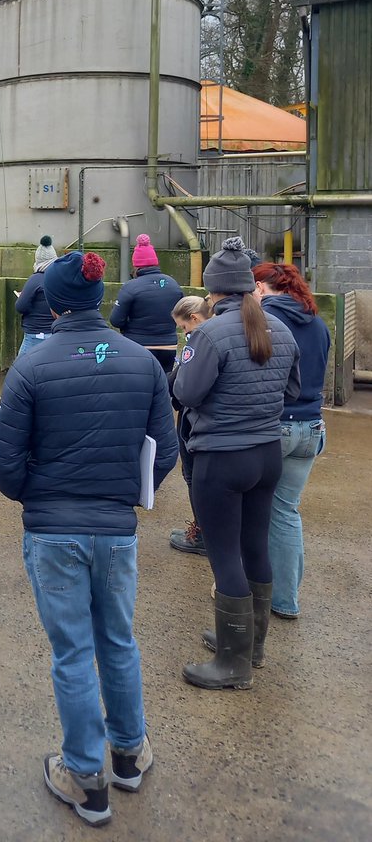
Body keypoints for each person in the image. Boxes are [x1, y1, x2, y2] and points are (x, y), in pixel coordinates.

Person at [0, 251, 178, 827]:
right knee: (118, 641)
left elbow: (4, 458)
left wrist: (38, 496)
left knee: (72, 652)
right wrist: (129, 496)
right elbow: (165, 451)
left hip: (53, 530)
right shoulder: (142, 363)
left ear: (53, 303)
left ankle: (86, 779)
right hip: (116, 529)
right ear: (100, 298)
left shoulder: (31, 365)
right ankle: (129, 754)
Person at [174, 237, 300, 691]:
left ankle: (232, 664)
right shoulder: (280, 329)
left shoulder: (208, 334)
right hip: (267, 454)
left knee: (225, 554)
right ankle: (251, 647)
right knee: (255, 547)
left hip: (222, 458)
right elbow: (292, 391)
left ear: (213, 290)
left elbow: (185, 393)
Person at [252, 262, 331, 619]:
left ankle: (252, 591)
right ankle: (286, 598)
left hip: (276, 426)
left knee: (255, 511)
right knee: (286, 511)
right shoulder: (318, 323)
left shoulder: (264, 320)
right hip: (311, 427)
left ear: (262, 288)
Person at [167, 296, 212, 556]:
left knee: (193, 476)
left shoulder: (199, 340)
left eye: (183, 327)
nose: (184, 332)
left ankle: (203, 533)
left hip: (193, 419)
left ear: (194, 318)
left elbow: (183, 381)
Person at [109, 233, 183, 372]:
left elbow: (116, 320)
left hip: (138, 346)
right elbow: (182, 313)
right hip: (169, 346)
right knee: (164, 381)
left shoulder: (130, 287)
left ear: (136, 267)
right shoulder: (173, 284)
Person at [14, 237, 58, 355]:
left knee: (21, 365)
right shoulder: (61, 278)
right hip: (56, 332)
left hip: (36, 333)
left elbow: (20, 306)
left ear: (38, 260)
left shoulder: (36, 279)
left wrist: (24, 298)